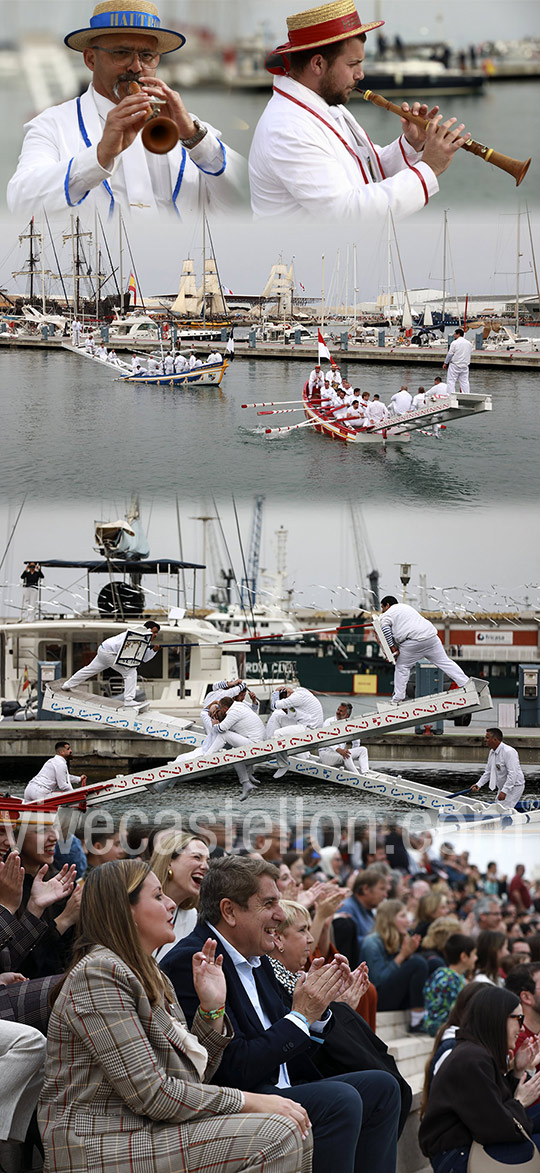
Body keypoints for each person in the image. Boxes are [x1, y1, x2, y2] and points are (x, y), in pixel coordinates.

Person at [38, 859, 312, 1173]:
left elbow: (193, 1076)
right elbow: (152, 1094)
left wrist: (212, 1010)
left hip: (145, 1130)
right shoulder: (99, 973)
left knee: (290, 1128)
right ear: (125, 909)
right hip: (97, 1145)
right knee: (278, 1133)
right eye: (157, 896)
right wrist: (249, 1101)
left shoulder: (152, 974)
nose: (171, 904)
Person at [162, 854, 401, 1173]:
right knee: (341, 1100)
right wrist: (300, 1016)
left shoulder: (257, 957)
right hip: (242, 1098)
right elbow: (232, 1068)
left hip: (286, 1084)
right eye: (269, 903)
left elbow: (291, 1042)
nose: (279, 914)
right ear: (229, 911)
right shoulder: (194, 962)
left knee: (383, 1087)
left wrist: (317, 1010)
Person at [7, 0, 247, 221]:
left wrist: (197, 140)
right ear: (90, 59)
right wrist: (99, 155)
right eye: (121, 53)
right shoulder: (52, 124)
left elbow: (249, 199)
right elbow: (21, 204)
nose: (136, 67)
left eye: (147, 56)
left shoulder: (189, 128)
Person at [248, 0, 466, 221]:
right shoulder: (288, 128)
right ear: (318, 64)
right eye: (353, 64)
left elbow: (367, 169)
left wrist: (411, 144)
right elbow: (347, 212)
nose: (360, 74)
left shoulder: (323, 105)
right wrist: (429, 167)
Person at [419, 985, 540, 1173]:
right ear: (497, 1019)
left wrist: (518, 1071)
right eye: (518, 1018)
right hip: (457, 1157)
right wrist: (520, 1102)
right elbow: (497, 1128)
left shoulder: (477, 1053)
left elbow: (497, 1106)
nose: (522, 1027)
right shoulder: (471, 1059)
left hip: (468, 1144)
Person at [379, 596, 470, 702]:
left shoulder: (387, 614)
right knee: (445, 662)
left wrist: (392, 647)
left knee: (402, 667)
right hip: (431, 637)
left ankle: (398, 698)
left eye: (382, 607)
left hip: (412, 642)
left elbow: (385, 629)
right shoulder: (406, 607)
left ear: (387, 605)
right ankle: (466, 683)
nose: (382, 610)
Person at [359, 899, 429, 1031]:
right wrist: (403, 955)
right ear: (389, 919)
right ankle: (417, 1020)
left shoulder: (399, 939)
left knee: (430, 963)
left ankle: (426, 1014)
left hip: (395, 997)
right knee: (417, 963)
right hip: (377, 999)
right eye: (402, 916)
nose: (408, 921)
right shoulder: (371, 943)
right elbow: (377, 981)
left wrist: (407, 954)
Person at [61, 620, 160, 707]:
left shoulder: (145, 641)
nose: (155, 635)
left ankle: (67, 685)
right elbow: (122, 647)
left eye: (157, 633)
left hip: (103, 649)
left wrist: (154, 651)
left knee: (89, 669)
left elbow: (145, 658)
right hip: (109, 653)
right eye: (154, 632)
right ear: (147, 629)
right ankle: (129, 700)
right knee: (130, 672)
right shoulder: (137, 635)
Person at [150, 830, 210, 961]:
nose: (205, 866)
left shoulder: (191, 917)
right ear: (169, 862)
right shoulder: (137, 903)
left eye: (207, 861)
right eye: (197, 857)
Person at [423, 933, 477, 1037]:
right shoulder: (448, 979)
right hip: (439, 1027)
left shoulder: (457, 977)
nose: (476, 958)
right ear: (464, 956)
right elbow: (454, 1012)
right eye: (474, 954)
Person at [266, 686, 324, 779]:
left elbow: (275, 705)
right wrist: (286, 709)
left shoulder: (297, 696)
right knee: (278, 716)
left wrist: (275, 693)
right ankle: (270, 745)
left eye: (285, 696)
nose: (285, 698)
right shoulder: (300, 691)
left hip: (310, 729)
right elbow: (295, 713)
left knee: (278, 734)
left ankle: (283, 764)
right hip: (307, 724)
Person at [470, 728, 526, 810]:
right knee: (497, 808)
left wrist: (504, 791)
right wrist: (479, 784)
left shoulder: (509, 752)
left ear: (495, 739)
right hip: (503, 786)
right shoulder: (492, 752)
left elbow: (513, 774)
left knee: (503, 810)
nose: (485, 740)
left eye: (487, 738)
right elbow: (488, 772)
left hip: (514, 786)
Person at [339, 868, 389, 948]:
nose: (385, 895)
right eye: (382, 889)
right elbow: (350, 944)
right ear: (365, 889)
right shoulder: (346, 908)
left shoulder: (369, 910)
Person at [443, 327, 473, 393]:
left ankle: (451, 395)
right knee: (464, 382)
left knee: (451, 381)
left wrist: (445, 363)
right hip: (465, 365)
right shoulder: (469, 344)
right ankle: (466, 394)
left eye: (455, 334)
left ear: (458, 334)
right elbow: (470, 352)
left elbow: (450, 354)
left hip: (455, 365)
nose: (454, 335)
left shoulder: (454, 343)